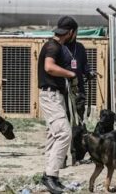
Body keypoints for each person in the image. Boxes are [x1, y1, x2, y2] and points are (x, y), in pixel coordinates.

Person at [38, 16, 77, 193]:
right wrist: (70, 74)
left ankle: (50, 176)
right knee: (64, 133)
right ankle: (50, 177)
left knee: (54, 136)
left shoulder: (55, 45)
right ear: (70, 32)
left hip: (54, 95)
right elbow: (49, 67)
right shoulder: (53, 46)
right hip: (50, 95)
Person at [64, 26, 96, 121]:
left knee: (79, 116)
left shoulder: (80, 47)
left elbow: (84, 65)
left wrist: (89, 72)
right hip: (64, 89)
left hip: (78, 89)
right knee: (65, 118)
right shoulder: (60, 47)